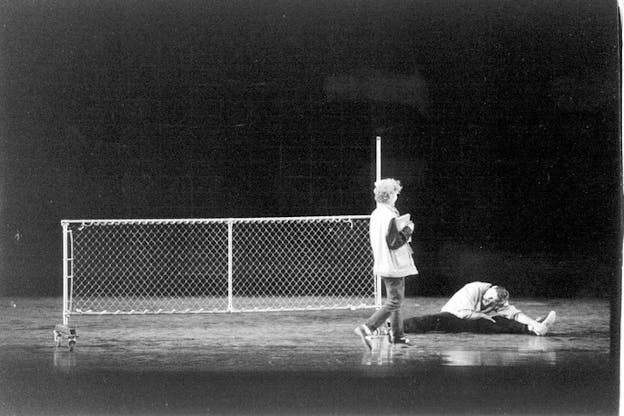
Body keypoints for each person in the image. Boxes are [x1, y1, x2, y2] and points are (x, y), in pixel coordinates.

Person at [355, 178, 418, 350]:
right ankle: (368, 327)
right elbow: (394, 242)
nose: (397, 197)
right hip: (393, 265)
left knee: (395, 300)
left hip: (384, 263)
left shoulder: (377, 213)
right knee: (395, 301)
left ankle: (397, 335)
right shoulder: (389, 215)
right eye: (396, 194)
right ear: (390, 195)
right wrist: (408, 230)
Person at [402, 281, 557, 336]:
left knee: (502, 321)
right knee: (433, 320)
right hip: (453, 317)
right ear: (491, 288)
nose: (487, 301)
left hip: (475, 322)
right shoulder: (474, 288)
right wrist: (482, 316)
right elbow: (462, 314)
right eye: (488, 297)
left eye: (492, 301)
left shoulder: (498, 302)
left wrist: (531, 321)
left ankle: (534, 327)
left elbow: (514, 313)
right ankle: (398, 326)